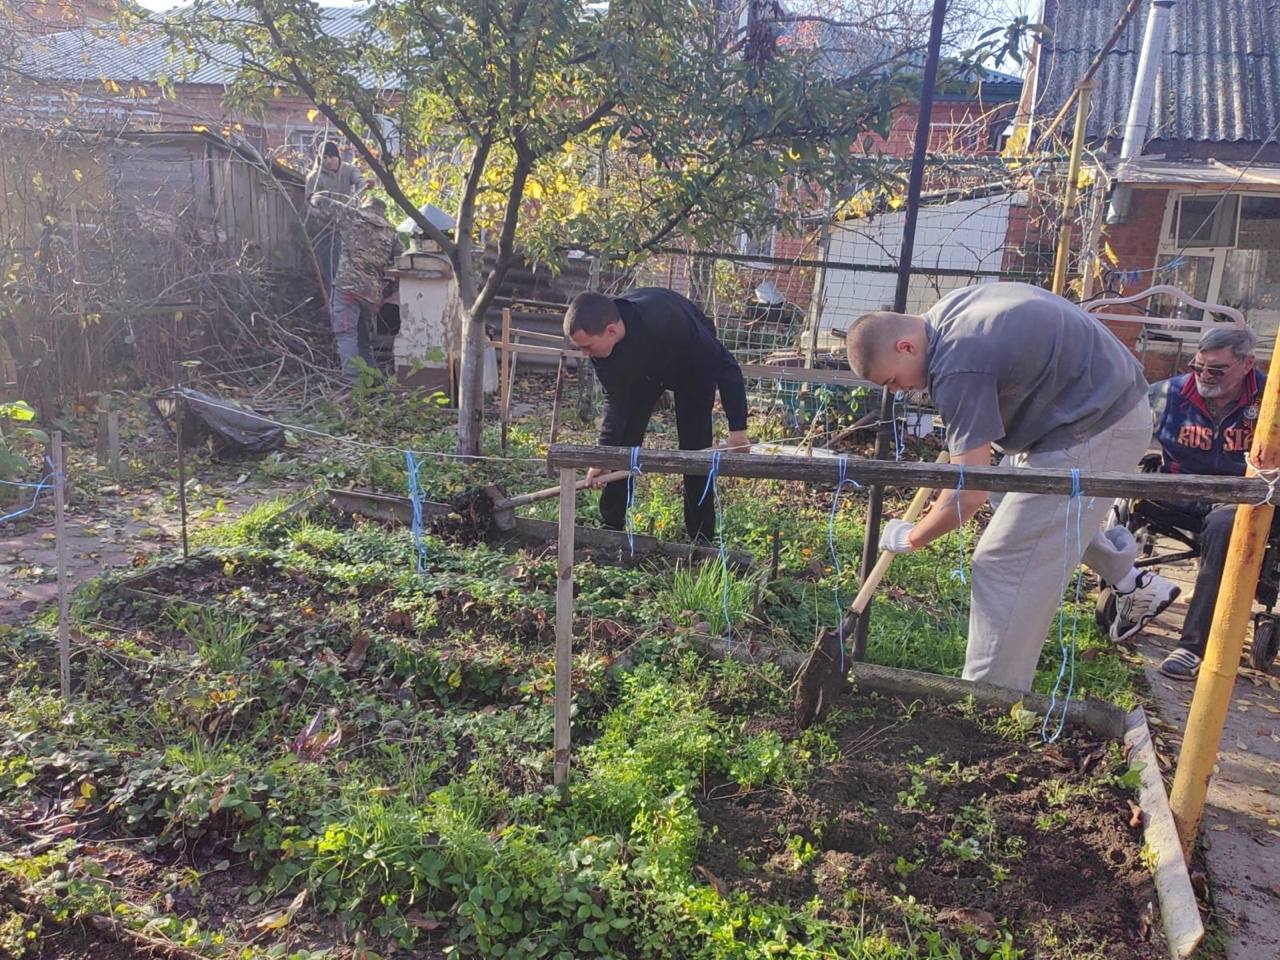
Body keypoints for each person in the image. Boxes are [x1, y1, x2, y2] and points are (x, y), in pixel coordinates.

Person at [845, 282, 1180, 692]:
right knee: (1020, 502)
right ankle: (1132, 583)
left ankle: (988, 700)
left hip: (1097, 426)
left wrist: (912, 537)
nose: (899, 392)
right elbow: (976, 467)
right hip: (1082, 409)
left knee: (1003, 562)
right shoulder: (946, 313)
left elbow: (968, 497)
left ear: (906, 348)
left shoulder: (956, 365)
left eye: (892, 382)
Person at [565, 288, 749, 543]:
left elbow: (727, 367)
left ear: (610, 331)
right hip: (643, 372)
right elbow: (617, 401)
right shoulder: (602, 349)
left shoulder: (669, 322)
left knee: (695, 451)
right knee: (624, 446)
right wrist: (602, 456)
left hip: (690, 364)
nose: (584, 354)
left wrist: (738, 431)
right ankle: (611, 528)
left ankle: (701, 537)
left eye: (587, 347)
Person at [1143, 325, 1269, 680]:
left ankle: (1192, 647)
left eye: (1216, 370)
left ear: (1247, 365)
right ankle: (1129, 588)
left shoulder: (1269, 402)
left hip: (1243, 502)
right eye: (1198, 367)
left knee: (1224, 525)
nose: (1204, 376)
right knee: (1129, 496)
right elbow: (1121, 424)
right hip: (1181, 491)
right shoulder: (1169, 394)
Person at [326, 196, 402, 382]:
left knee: (346, 335)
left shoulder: (351, 218)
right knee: (363, 339)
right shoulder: (391, 235)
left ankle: (352, 382)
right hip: (371, 295)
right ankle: (373, 378)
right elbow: (403, 265)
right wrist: (387, 292)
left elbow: (322, 201)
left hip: (347, 290)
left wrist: (312, 197)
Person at [305, 140, 365, 304]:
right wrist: (324, 214)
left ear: (338, 157)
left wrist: (364, 185)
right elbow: (309, 207)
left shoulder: (347, 170)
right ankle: (334, 307)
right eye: (324, 157)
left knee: (349, 272)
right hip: (325, 231)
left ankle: (350, 305)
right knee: (332, 273)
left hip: (347, 229)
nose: (328, 161)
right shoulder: (314, 178)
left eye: (331, 157)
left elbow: (359, 179)